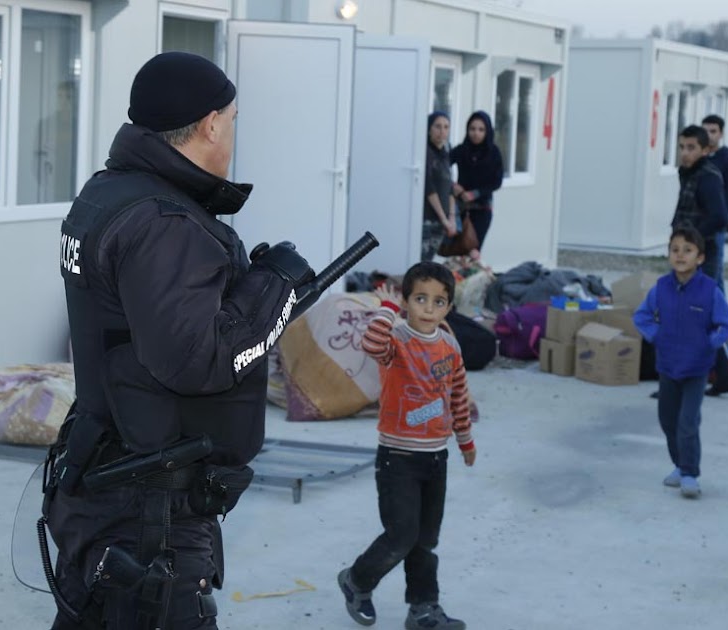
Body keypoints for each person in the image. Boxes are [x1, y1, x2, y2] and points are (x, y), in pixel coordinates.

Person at [46, 52, 314, 629]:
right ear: (211, 124)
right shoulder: (163, 222)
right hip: (148, 504)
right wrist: (274, 291)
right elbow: (197, 360)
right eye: (234, 120)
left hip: (108, 475)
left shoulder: (110, 192)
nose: (233, 133)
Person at [338, 262, 476, 630]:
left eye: (438, 301)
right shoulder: (396, 340)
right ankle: (356, 580)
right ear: (406, 301)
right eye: (420, 299)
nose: (429, 308)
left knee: (425, 540)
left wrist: (465, 439)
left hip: (436, 457)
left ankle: (423, 609)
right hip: (397, 459)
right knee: (401, 535)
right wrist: (386, 309)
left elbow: (458, 395)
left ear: (448, 307)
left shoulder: (449, 345)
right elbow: (371, 344)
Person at [633, 226, 728, 499]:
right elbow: (641, 316)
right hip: (668, 367)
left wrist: (709, 343)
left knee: (687, 422)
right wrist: (657, 336)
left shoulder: (710, 290)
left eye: (687, 250)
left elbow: (727, 324)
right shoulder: (661, 288)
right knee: (668, 420)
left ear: (700, 258)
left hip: (696, 369)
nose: (680, 255)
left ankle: (690, 474)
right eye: (675, 250)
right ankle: (679, 465)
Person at [672, 124, 728, 396]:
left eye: (691, 148)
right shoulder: (687, 172)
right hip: (685, 253)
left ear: (705, 150)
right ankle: (722, 376)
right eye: (682, 147)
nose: (685, 153)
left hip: (700, 256)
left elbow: (719, 216)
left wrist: (692, 243)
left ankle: (708, 376)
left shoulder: (708, 176)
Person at [450, 111, 504, 260]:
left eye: (481, 130)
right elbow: (441, 168)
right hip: (461, 208)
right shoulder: (461, 150)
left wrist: (475, 193)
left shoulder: (493, 153)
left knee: (473, 250)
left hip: (482, 208)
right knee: (459, 250)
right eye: (472, 129)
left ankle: (472, 274)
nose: (476, 133)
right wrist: (453, 186)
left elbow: (497, 181)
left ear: (487, 131)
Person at [422, 112, 456, 262]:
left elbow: (450, 187)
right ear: (429, 129)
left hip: (443, 221)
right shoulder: (425, 152)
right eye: (437, 126)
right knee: (422, 261)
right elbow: (429, 189)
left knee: (430, 260)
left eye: (446, 127)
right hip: (428, 218)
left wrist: (452, 218)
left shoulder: (446, 153)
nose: (442, 131)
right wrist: (444, 219)